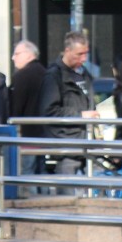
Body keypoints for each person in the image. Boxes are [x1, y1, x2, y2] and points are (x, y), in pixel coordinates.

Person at [37, 31, 98, 182]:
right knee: (67, 195)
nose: (83, 59)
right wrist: (80, 115)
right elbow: (48, 111)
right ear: (67, 51)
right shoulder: (53, 76)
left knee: (97, 187)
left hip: (86, 141)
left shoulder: (85, 74)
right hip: (67, 144)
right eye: (79, 54)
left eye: (86, 54)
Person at [10, 40, 47, 179]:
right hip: (43, 134)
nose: (13, 58)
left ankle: (33, 200)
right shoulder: (46, 73)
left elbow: (16, 107)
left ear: (28, 55)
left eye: (16, 54)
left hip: (26, 134)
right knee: (41, 173)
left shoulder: (22, 76)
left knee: (26, 173)